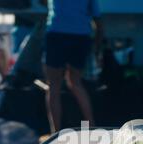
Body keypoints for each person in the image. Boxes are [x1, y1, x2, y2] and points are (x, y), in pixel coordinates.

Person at [40, 0, 103, 133]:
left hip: (57, 35)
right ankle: (91, 126)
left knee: (53, 85)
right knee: (75, 82)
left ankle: (55, 132)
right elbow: (98, 20)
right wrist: (97, 46)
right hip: (81, 37)